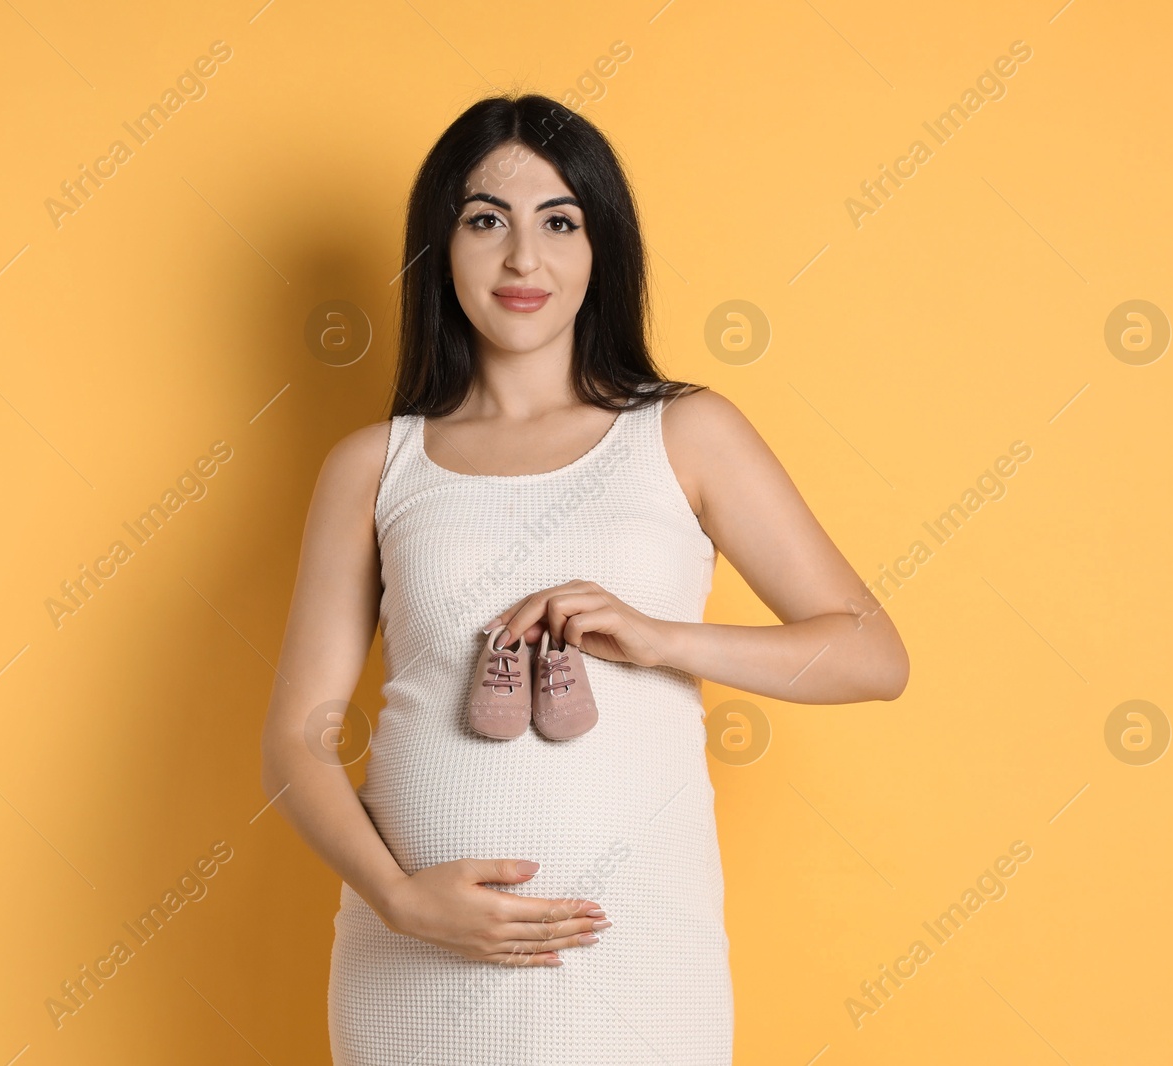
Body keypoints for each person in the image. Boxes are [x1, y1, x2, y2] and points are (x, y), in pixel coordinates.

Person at [260, 91, 909, 1065]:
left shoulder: (686, 433)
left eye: (558, 221)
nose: (524, 259)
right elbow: (295, 739)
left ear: (601, 247)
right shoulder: (374, 465)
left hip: (635, 968)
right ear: (439, 249)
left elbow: (871, 654)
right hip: (412, 975)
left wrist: (659, 638)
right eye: (487, 221)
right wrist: (400, 901)